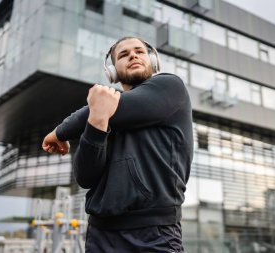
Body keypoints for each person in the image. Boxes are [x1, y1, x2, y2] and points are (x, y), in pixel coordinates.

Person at [42, 36, 193, 252]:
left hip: (154, 236)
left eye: (139, 51)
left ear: (152, 60)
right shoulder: (101, 116)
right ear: (112, 71)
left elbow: (110, 104)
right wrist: (96, 122)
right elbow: (85, 178)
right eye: (123, 54)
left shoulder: (170, 87)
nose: (133, 55)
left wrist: (59, 132)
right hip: (99, 237)